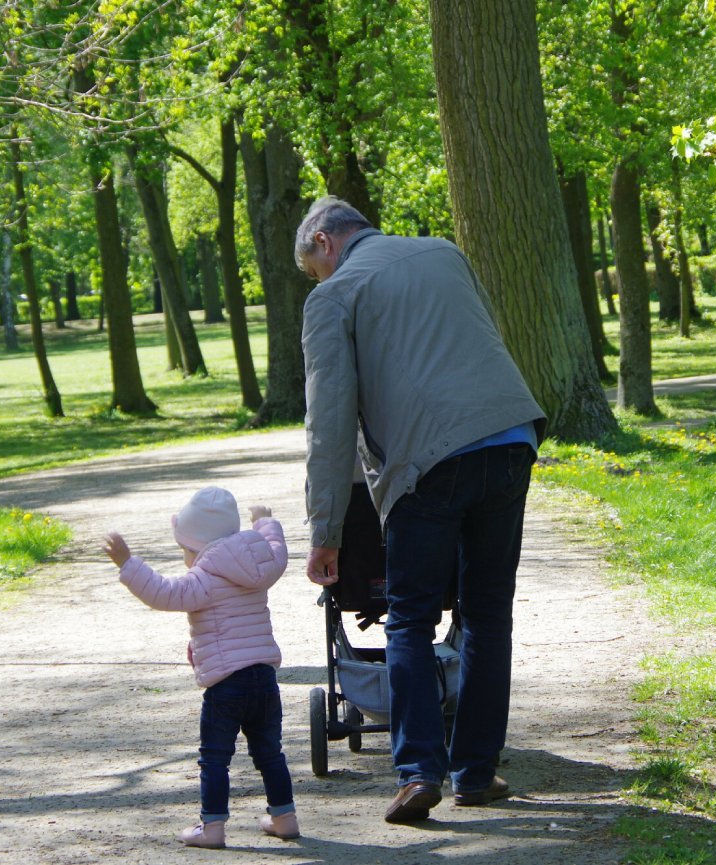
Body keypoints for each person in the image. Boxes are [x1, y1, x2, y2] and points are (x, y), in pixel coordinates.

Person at [297, 197, 546, 824]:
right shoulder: (444, 252)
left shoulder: (333, 296)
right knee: (487, 613)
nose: (317, 280)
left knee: (408, 618)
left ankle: (418, 774)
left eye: (313, 269)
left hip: (427, 464)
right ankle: (477, 773)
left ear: (324, 241)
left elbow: (328, 424)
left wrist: (326, 532)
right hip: (511, 437)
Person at [102, 487, 299, 848]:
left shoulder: (204, 578)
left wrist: (128, 563)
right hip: (264, 679)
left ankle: (212, 827)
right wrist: (264, 520)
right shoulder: (258, 566)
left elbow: (162, 592)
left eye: (185, 549)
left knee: (215, 758)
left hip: (226, 685)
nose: (185, 557)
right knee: (270, 752)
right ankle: (284, 818)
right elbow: (277, 550)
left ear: (197, 547)